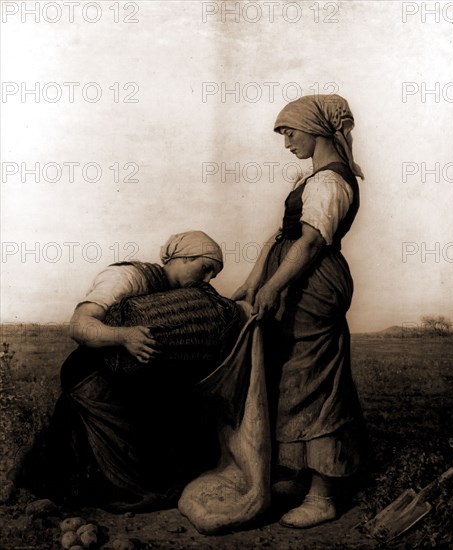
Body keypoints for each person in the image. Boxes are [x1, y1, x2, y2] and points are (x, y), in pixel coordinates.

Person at [16, 230, 228, 510]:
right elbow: (79, 325)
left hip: (131, 380)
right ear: (184, 257)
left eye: (213, 275)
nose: (207, 280)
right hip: (93, 375)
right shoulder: (129, 277)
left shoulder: (184, 295)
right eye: (205, 269)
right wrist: (123, 336)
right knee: (84, 468)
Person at [232, 95, 367, 528]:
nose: (286, 142)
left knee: (314, 379)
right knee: (287, 373)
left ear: (314, 129)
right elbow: (280, 236)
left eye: (289, 132)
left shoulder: (330, 181)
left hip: (313, 286)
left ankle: (325, 493)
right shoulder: (308, 179)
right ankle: (297, 473)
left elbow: (310, 243)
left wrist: (272, 286)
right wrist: (255, 281)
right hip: (293, 283)